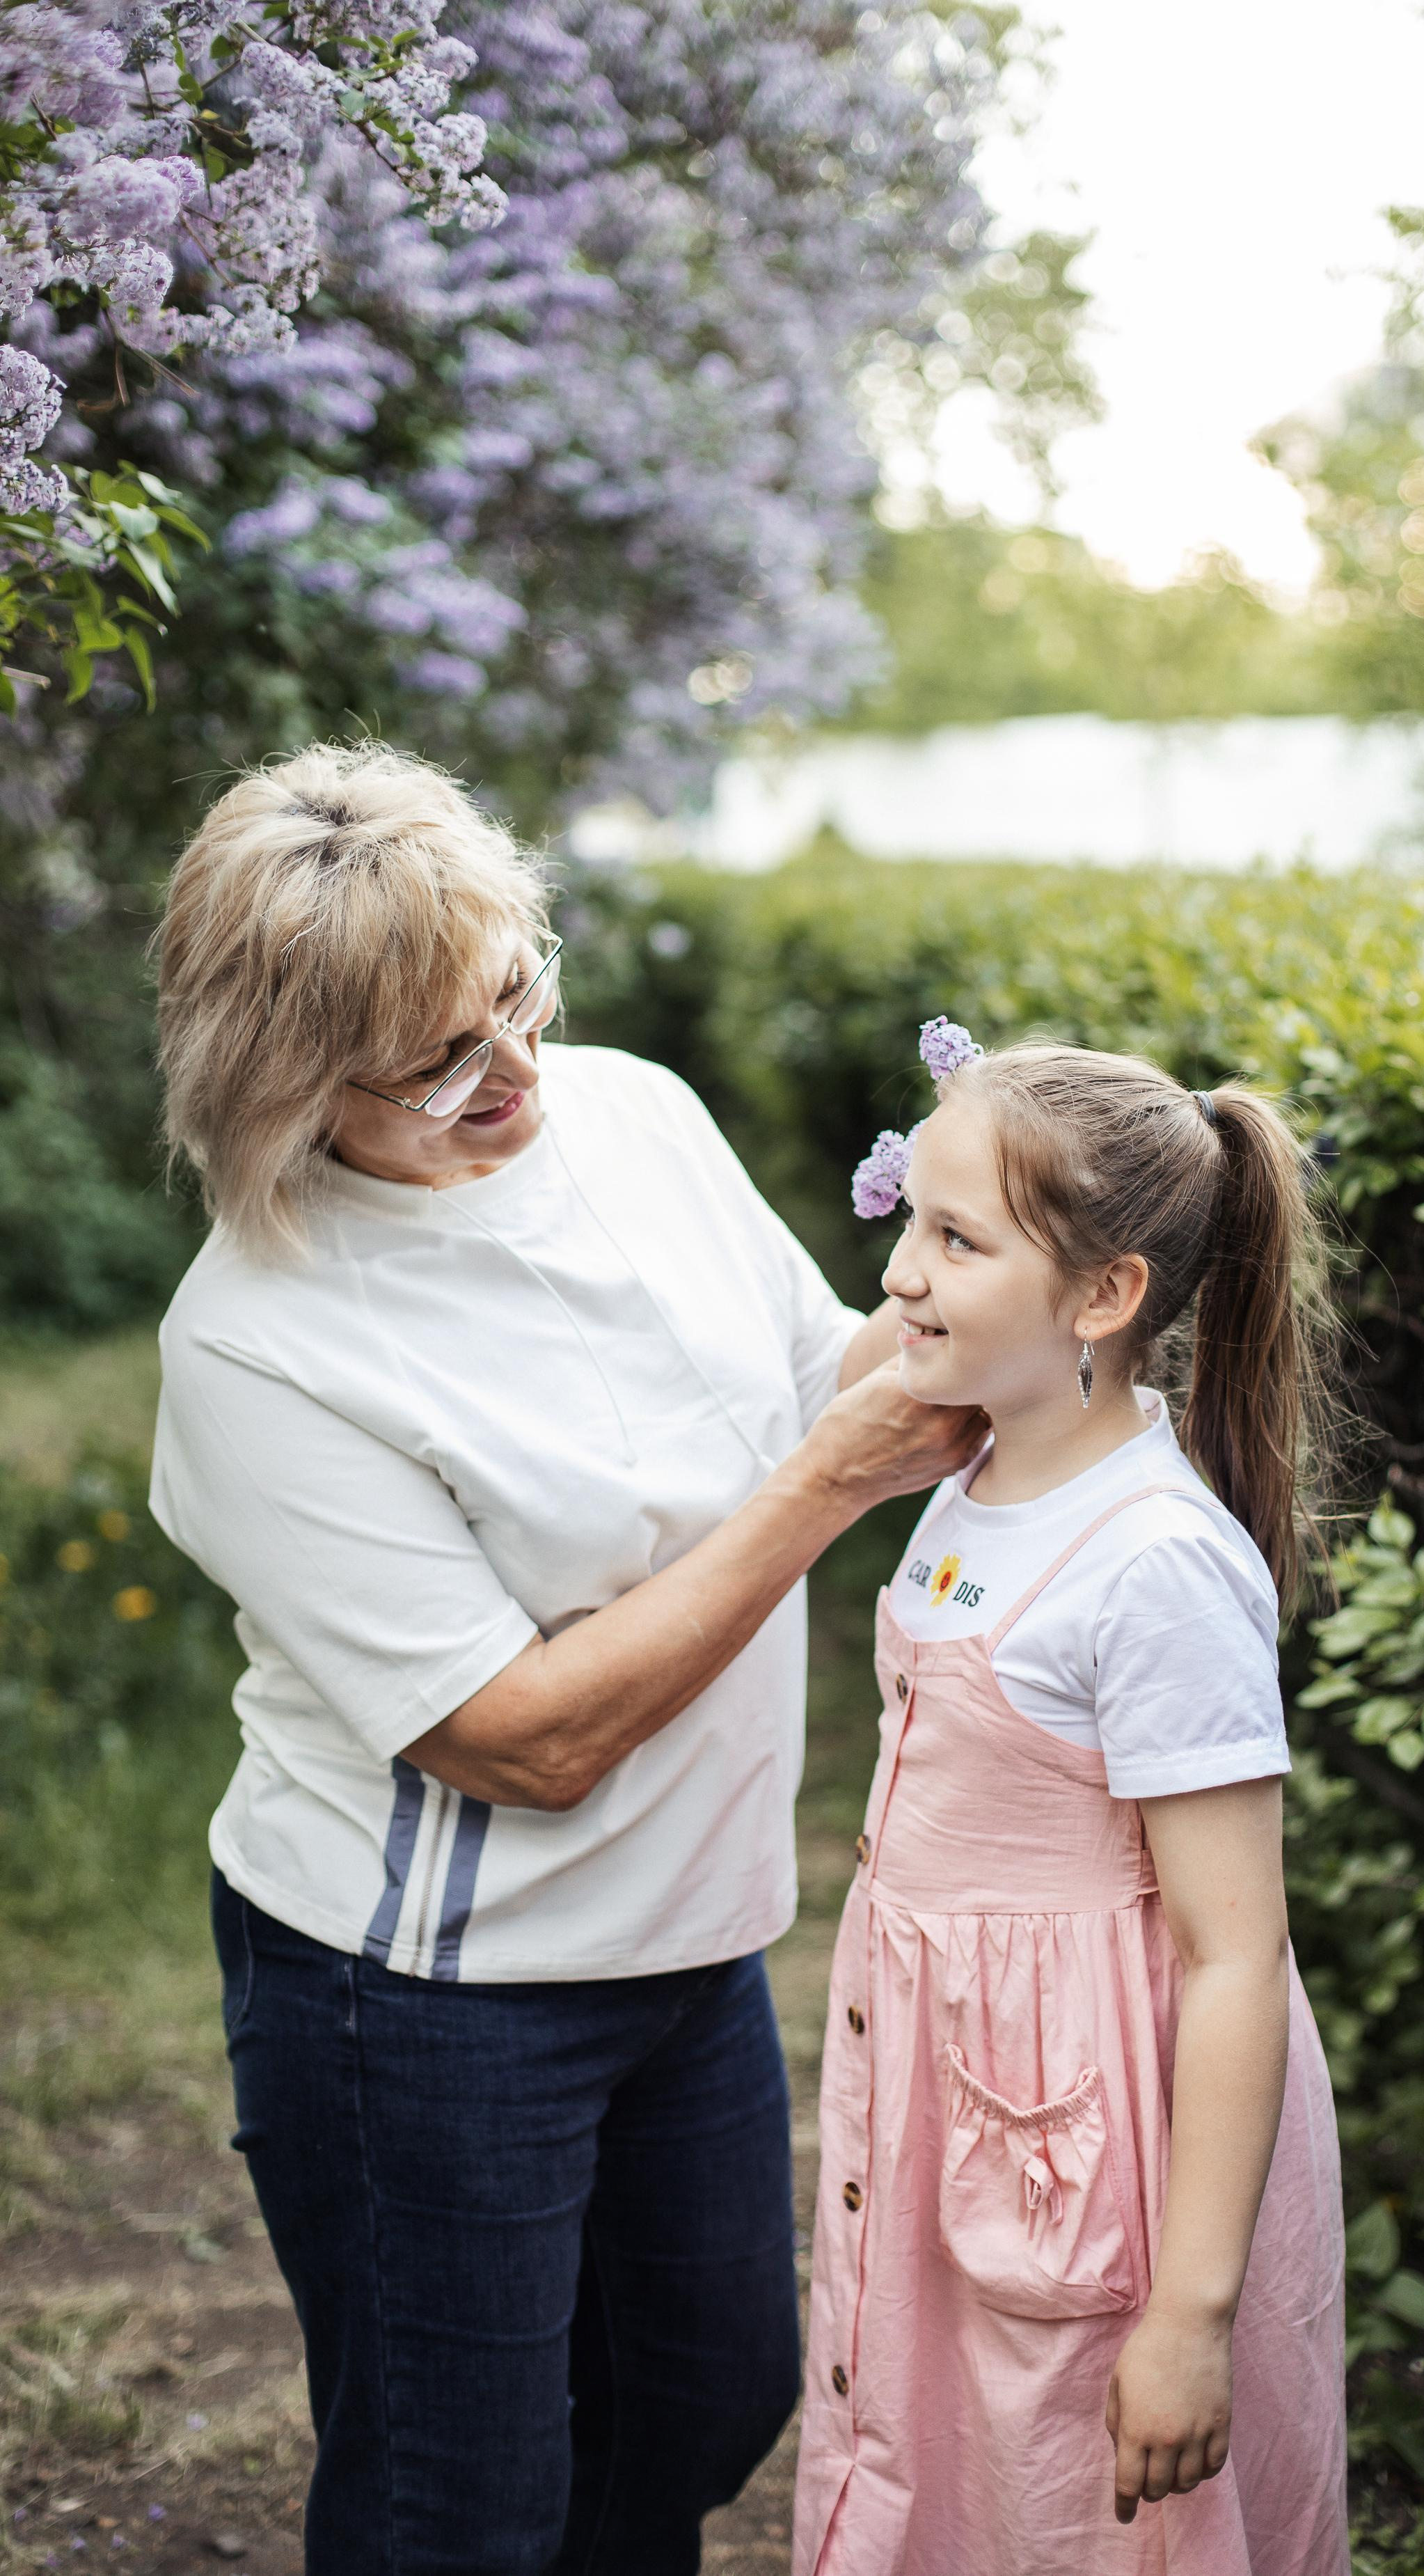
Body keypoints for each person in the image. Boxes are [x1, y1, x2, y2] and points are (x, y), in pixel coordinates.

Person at [146, 744, 981, 2576]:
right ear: (287, 1082)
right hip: (429, 2002)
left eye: (514, 991)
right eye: (437, 1060)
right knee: (458, 2505)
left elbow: (806, 1377)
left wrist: (1003, 1313)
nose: (511, 1071)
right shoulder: (260, 1342)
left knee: (702, 2400)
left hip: (689, 1932)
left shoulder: (634, 1113)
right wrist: (829, 1488)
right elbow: (521, 1739)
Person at [793, 1019, 1349, 2576]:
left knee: (1081, 2504)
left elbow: (1234, 1954)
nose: (901, 1268)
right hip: (967, 2108)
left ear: (1104, 1298)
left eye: (956, 1239)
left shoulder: (1153, 1563)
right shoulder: (977, 1469)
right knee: (959, 2462)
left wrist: (1188, 2313)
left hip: (1097, 2151)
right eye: (910, 1216)